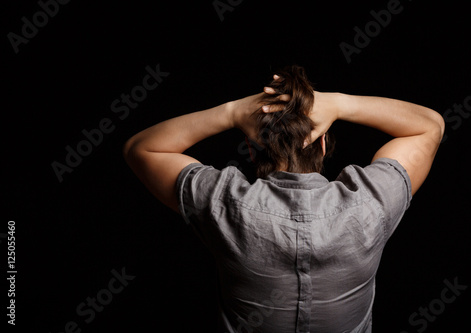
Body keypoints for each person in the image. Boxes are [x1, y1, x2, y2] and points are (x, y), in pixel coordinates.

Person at [123, 65, 445, 332]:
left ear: (251, 148)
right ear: (321, 144)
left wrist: (232, 112)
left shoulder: (223, 204)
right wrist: (341, 104)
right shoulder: (370, 204)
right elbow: (430, 127)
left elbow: (141, 148)